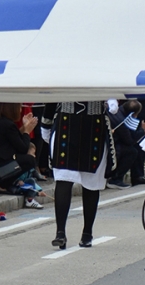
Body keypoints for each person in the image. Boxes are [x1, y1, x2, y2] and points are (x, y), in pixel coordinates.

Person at [40, 101, 112, 249]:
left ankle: (87, 233)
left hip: (94, 124)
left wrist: (112, 97)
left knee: (91, 183)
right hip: (66, 122)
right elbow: (54, 91)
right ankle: (60, 232)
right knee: (63, 179)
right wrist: (46, 122)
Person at [0, 103, 42, 208]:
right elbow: (23, 148)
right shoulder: (8, 125)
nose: (20, 111)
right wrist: (27, 132)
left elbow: (15, 139)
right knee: (30, 160)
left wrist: (24, 127)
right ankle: (7, 182)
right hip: (1, 169)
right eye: (19, 108)